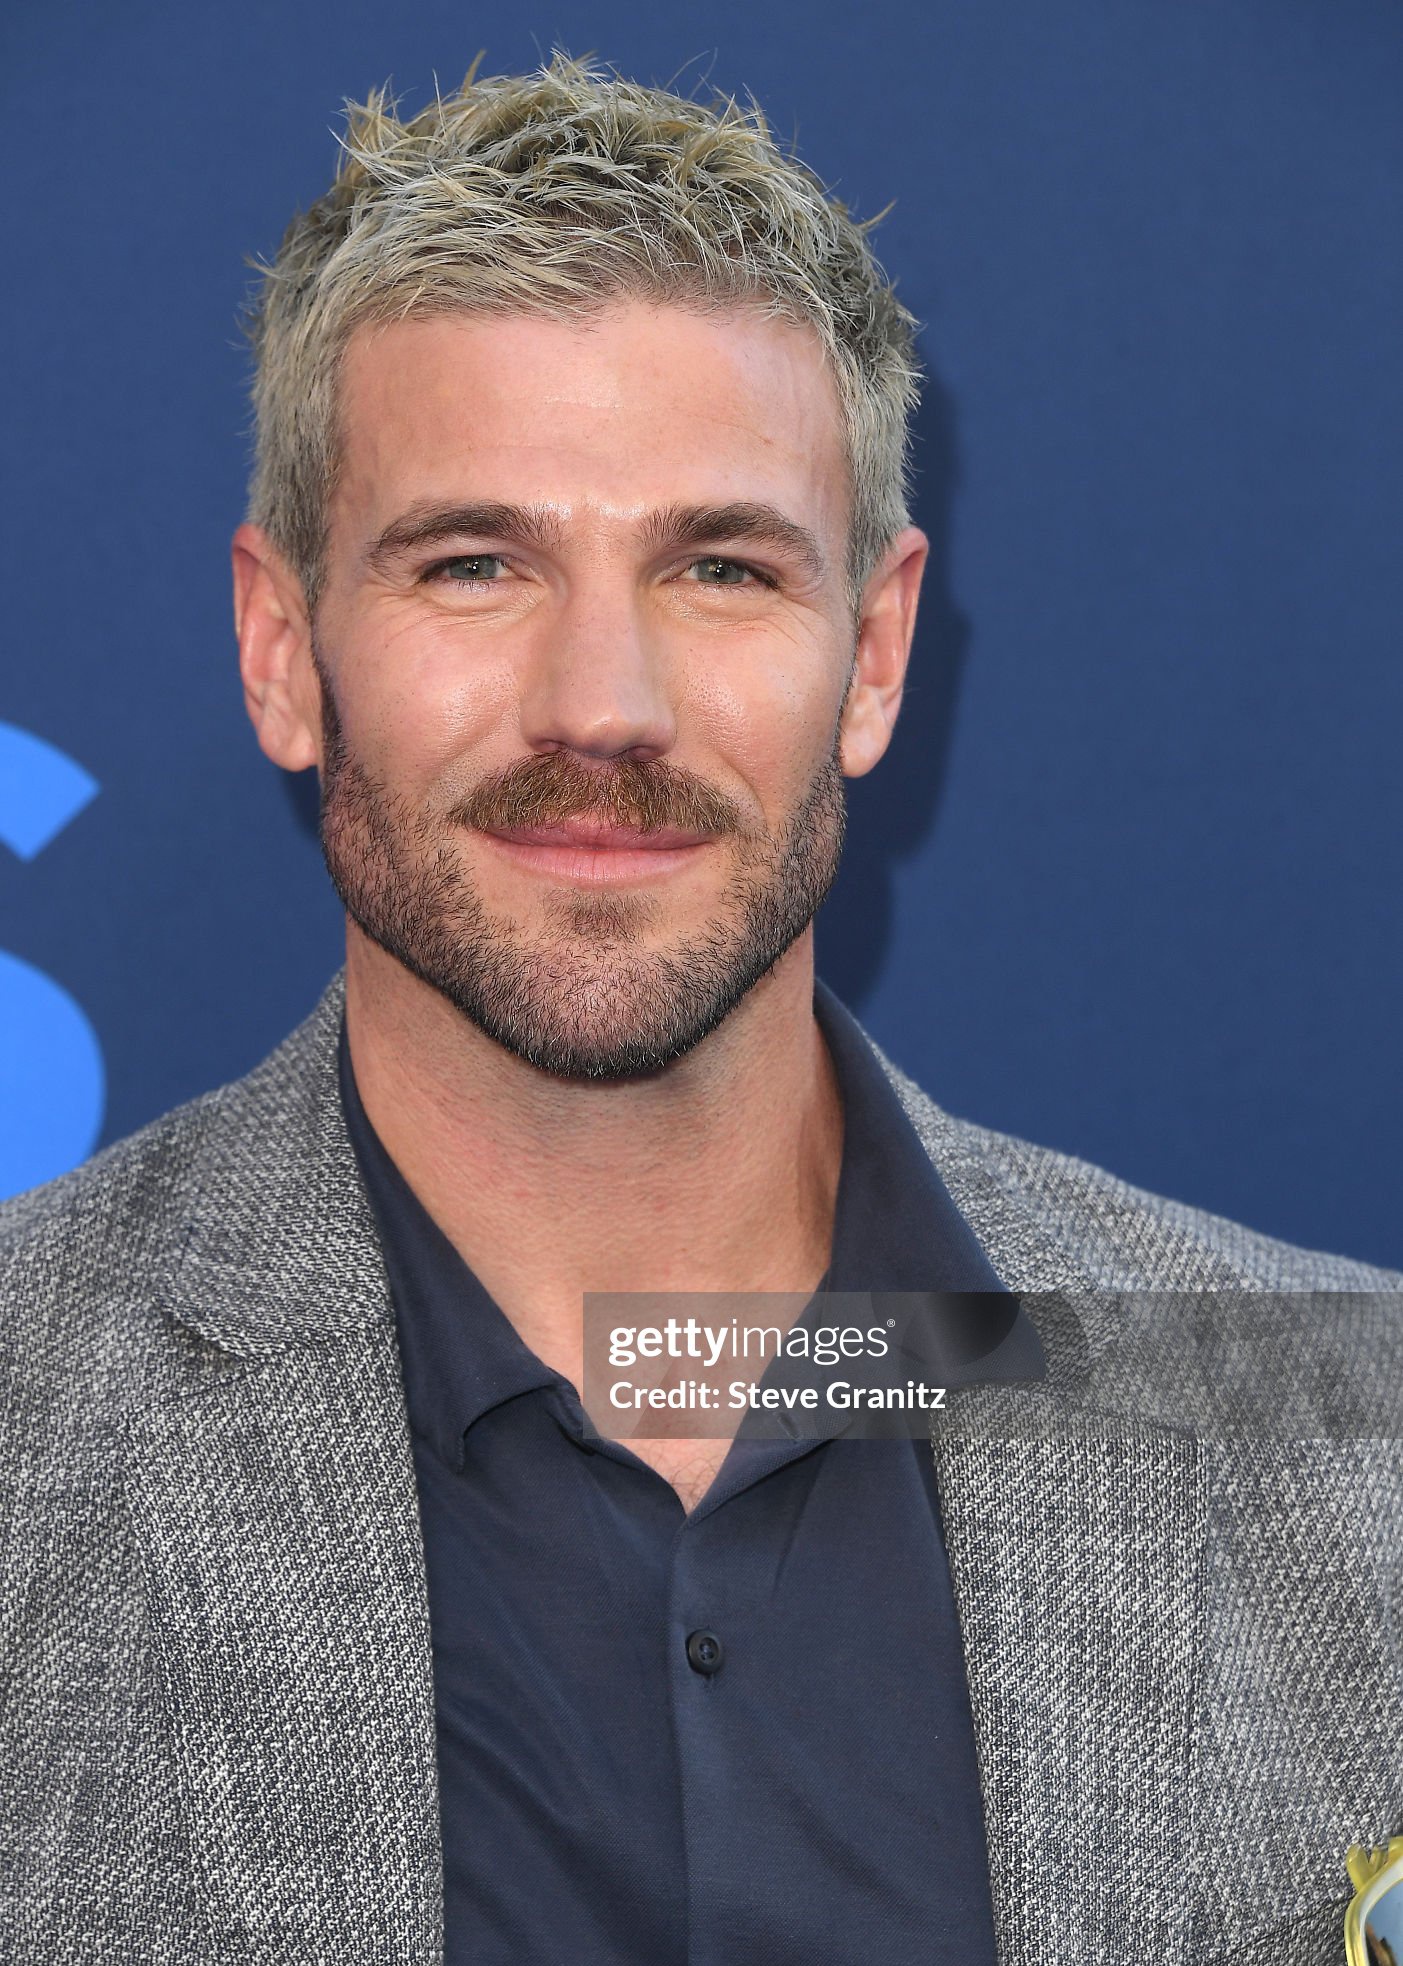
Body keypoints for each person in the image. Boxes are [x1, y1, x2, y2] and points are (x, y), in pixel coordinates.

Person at [2, 53, 1398, 1966]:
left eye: (720, 565)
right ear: (281, 649)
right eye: (476, 563)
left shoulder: (1353, 1449)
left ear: (876, 652)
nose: (606, 703)